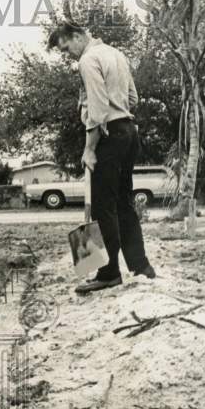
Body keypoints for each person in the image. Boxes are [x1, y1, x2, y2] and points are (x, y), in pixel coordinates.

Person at [47, 21, 156, 292]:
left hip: (108, 136)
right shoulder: (116, 54)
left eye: (66, 47)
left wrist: (90, 148)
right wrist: (118, 115)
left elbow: (97, 109)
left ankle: (108, 273)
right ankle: (141, 266)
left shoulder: (88, 60)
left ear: (77, 36)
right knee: (124, 204)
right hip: (129, 132)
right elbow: (133, 98)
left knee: (102, 208)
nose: (68, 54)